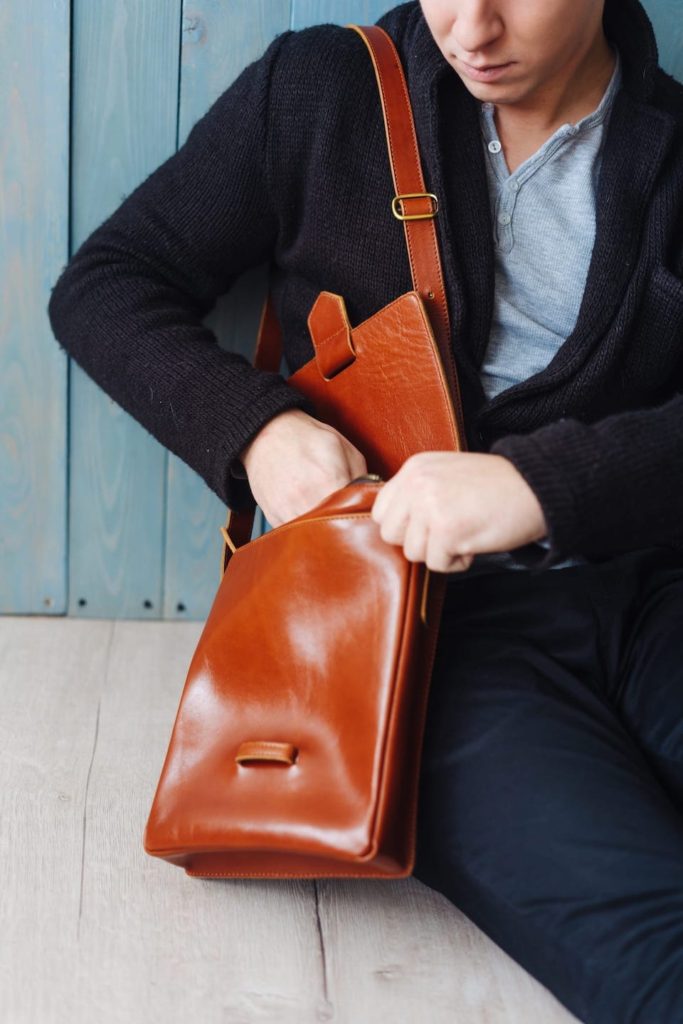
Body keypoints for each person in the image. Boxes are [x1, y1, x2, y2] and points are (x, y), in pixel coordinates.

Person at [47, 0, 683, 1019]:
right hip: (413, 640)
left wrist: (540, 486)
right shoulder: (319, 92)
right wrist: (256, 430)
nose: (468, 25)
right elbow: (103, 287)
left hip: (651, 590)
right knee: (657, 949)